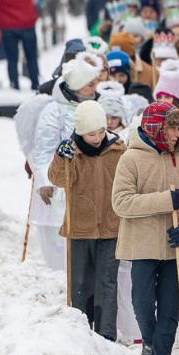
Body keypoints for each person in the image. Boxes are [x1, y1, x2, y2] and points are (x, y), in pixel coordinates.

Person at [112, 100, 179, 355]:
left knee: (170, 308)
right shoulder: (130, 159)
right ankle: (149, 345)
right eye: (172, 128)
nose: (177, 135)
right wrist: (164, 200)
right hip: (142, 246)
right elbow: (121, 202)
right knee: (141, 302)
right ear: (156, 128)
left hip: (174, 248)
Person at [47, 101, 126, 341]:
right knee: (80, 281)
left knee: (107, 281)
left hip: (110, 226)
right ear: (80, 132)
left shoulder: (118, 150)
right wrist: (60, 158)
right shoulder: (72, 151)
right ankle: (79, 332)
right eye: (91, 134)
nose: (97, 138)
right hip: (80, 226)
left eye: (101, 131)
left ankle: (106, 335)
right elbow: (57, 179)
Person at [27, 54, 105, 271]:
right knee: (60, 239)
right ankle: (63, 276)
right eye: (90, 85)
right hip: (61, 185)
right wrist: (45, 181)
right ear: (78, 85)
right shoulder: (55, 112)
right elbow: (43, 149)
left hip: (90, 184)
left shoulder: (96, 105)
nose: (94, 89)